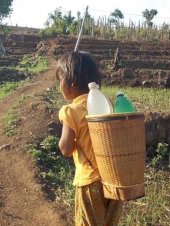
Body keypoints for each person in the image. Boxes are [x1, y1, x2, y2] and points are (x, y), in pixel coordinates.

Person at [56, 51, 123, 226]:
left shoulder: (71, 111)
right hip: (114, 179)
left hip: (90, 181)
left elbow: (66, 149)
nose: (59, 86)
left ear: (71, 83)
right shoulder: (107, 103)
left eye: (59, 81)